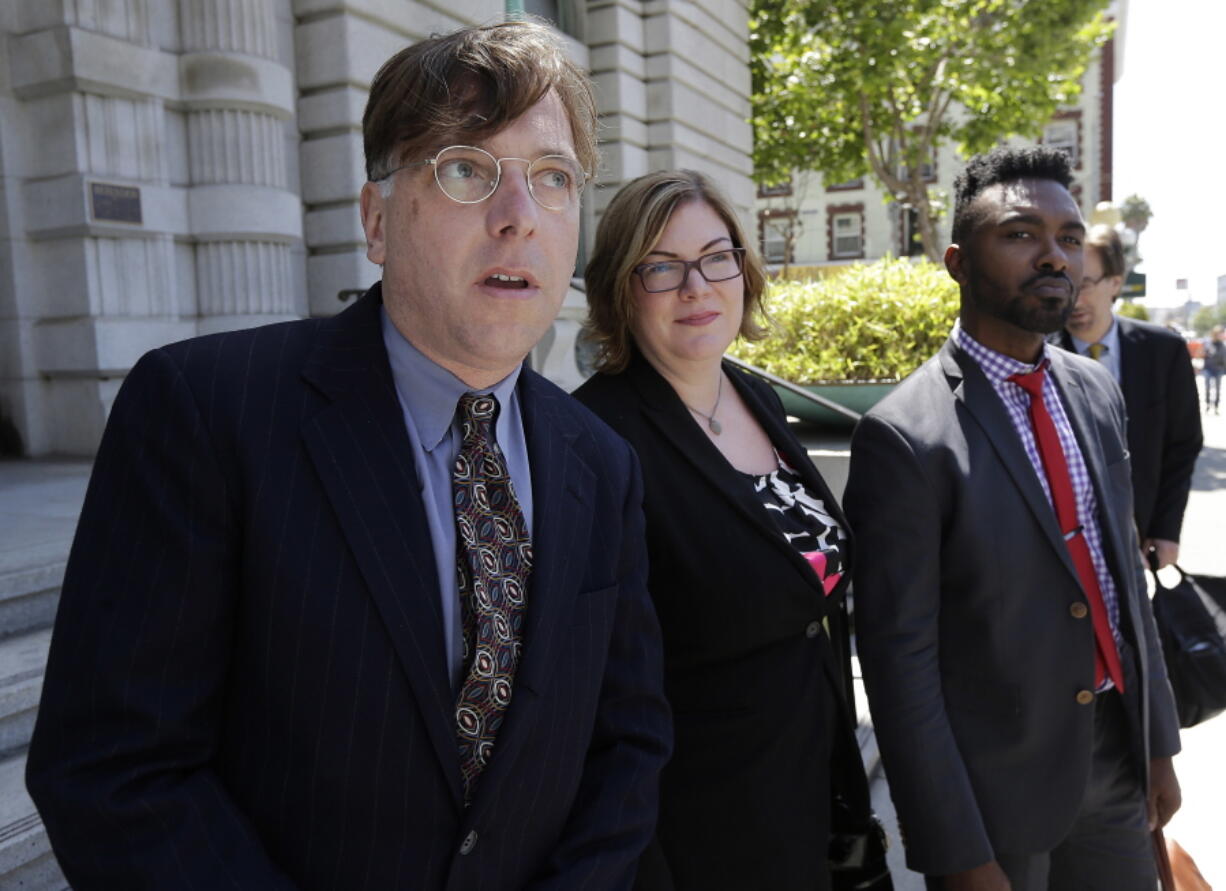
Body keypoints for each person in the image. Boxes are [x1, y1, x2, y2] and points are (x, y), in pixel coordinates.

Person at [26, 21, 671, 890]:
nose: (519, 217)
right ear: (376, 220)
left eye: (552, 178)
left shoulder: (601, 458)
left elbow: (627, 740)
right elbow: (116, 770)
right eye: (466, 169)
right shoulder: (207, 411)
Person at [843, 146, 1182, 890]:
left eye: (1067, 239)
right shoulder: (905, 436)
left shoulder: (1095, 393)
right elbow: (900, 666)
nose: (1054, 257)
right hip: (991, 797)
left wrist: (1157, 743)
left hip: (1116, 761)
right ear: (959, 262)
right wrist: (954, 846)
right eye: (1022, 234)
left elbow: (1120, 577)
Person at [575, 170, 883, 890]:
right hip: (703, 831)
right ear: (622, 289)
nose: (697, 286)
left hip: (817, 786)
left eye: (717, 256)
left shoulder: (753, 393)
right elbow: (591, 693)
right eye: (661, 267)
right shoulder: (593, 439)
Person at [1052, 224, 1202, 569]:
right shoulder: (1035, 354)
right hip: (1061, 552)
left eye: (1085, 283)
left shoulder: (1164, 352)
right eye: (1067, 282)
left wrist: (1166, 530)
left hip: (1139, 540)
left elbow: (1183, 445)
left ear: (1115, 282)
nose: (1073, 297)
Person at [1203, 325, 1225, 413]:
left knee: (1217, 389)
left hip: (1219, 369)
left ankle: (1216, 406)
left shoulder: (1222, 345)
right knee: (1207, 388)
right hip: (1208, 368)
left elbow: (1224, 357)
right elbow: (1203, 354)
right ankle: (1208, 404)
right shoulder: (1208, 343)